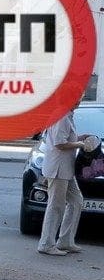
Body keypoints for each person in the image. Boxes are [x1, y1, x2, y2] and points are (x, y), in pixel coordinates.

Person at [37, 107, 88, 255]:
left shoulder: (67, 115)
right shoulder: (61, 116)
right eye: (78, 96)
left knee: (76, 201)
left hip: (66, 169)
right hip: (58, 169)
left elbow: (66, 138)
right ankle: (46, 244)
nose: (80, 100)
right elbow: (60, 143)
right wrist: (81, 144)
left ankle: (65, 241)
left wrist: (79, 138)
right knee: (56, 206)